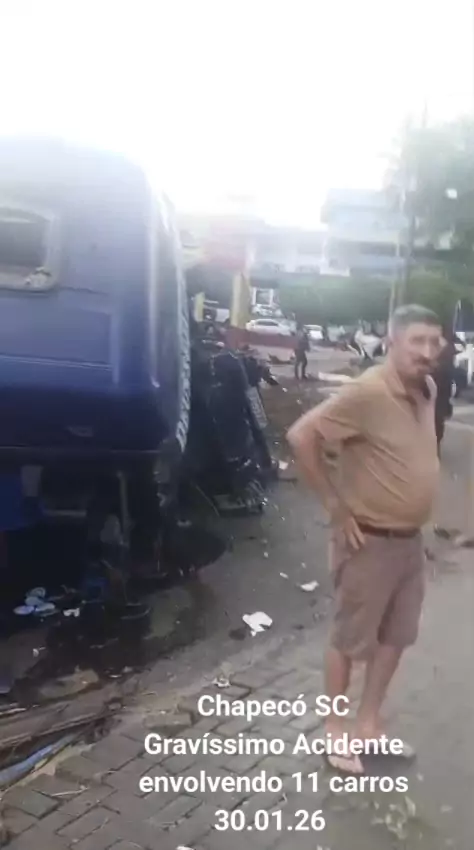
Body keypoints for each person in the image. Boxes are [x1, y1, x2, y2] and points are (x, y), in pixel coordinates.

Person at [287, 304, 442, 773]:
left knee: (396, 637)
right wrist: (335, 507)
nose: (428, 351)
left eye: (435, 341)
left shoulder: (427, 388)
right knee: (350, 641)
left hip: (409, 542)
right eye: (417, 341)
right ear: (391, 342)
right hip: (368, 542)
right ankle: (335, 730)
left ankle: (369, 725)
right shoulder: (367, 392)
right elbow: (301, 436)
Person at [432, 329, 456, 453]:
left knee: (436, 420)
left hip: (439, 390)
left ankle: (434, 448)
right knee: (437, 421)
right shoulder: (448, 348)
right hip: (440, 390)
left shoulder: (445, 349)